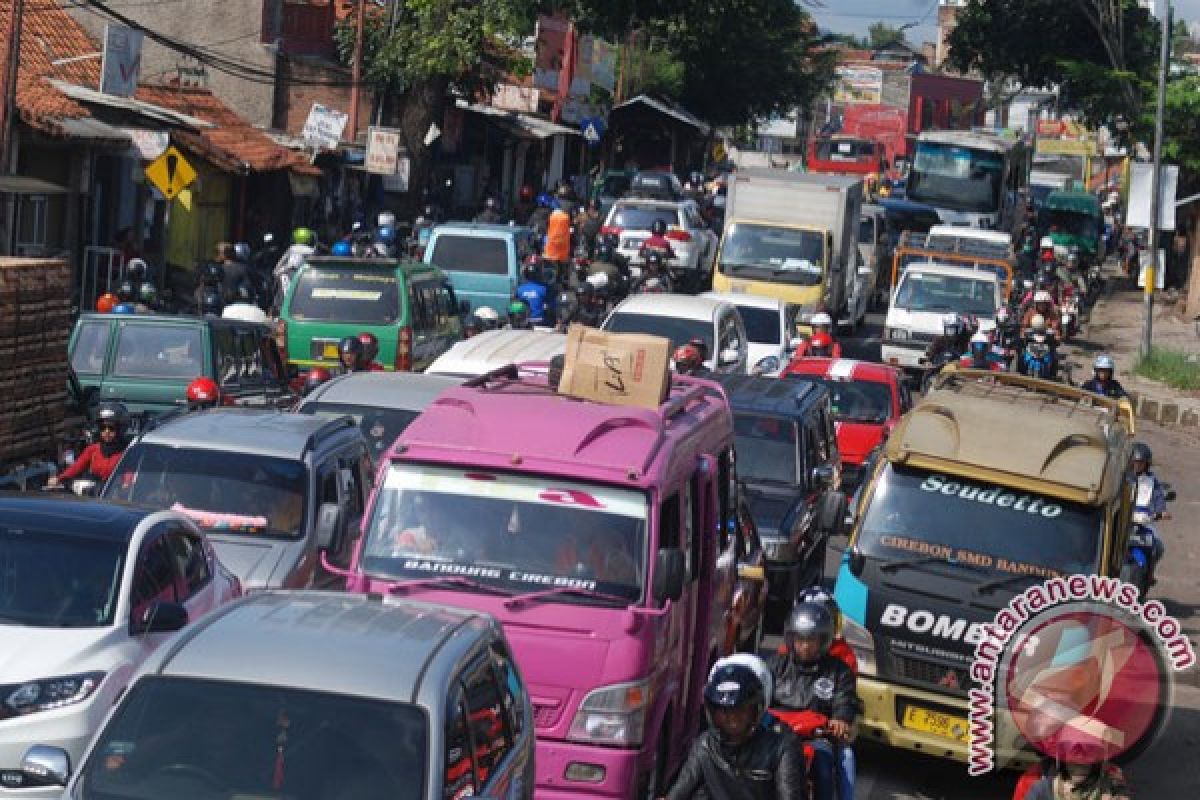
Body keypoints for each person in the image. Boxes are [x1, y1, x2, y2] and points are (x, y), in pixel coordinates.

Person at [664, 662, 805, 800]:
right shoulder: (704, 746)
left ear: (755, 709)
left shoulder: (781, 748)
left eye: (741, 709)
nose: (733, 719)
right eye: (724, 711)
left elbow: (790, 794)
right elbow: (679, 790)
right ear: (713, 711)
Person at [769, 602, 859, 800]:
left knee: (828, 767)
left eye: (812, 640)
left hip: (817, 736)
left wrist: (841, 719)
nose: (805, 646)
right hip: (775, 733)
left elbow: (845, 699)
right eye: (800, 639)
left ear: (824, 640)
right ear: (791, 638)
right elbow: (759, 692)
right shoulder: (776, 665)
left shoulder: (839, 671)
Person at [1023, 724, 1130, 800]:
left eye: (1087, 754)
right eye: (1073, 754)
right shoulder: (1042, 790)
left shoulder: (1111, 787)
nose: (1080, 764)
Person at [48, 402, 129, 488]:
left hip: (115, 494)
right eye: (102, 428)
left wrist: (126, 484)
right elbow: (77, 466)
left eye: (111, 428)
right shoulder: (93, 449)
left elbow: (129, 473)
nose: (107, 431)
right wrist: (59, 478)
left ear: (120, 429)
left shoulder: (127, 452)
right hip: (94, 492)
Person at [1131, 441, 1169, 584]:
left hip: (1144, 522)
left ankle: (1149, 575)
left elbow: (1159, 497)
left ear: (1146, 464)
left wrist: (1162, 511)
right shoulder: (1122, 477)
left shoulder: (1152, 482)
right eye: (1135, 462)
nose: (1137, 466)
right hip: (1123, 520)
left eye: (1141, 463)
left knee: (1158, 547)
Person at [543, 201, 573, 283]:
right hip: (563, 244)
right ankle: (561, 278)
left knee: (550, 263)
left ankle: (552, 279)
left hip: (552, 244)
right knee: (562, 263)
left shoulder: (551, 216)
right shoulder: (566, 217)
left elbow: (547, 228)